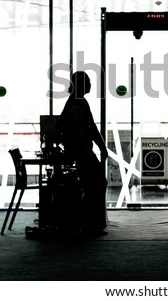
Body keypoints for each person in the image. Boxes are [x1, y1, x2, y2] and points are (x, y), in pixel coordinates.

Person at [59, 71, 109, 237]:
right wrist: (98, 149)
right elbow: (85, 132)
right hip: (83, 153)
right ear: (81, 84)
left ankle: (87, 224)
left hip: (80, 153)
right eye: (87, 82)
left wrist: (101, 147)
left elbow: (89, 128)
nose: (90, 85)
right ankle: (90, 224)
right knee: (96, 184)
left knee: (93, 185)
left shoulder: (75, 103)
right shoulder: (78, 105)